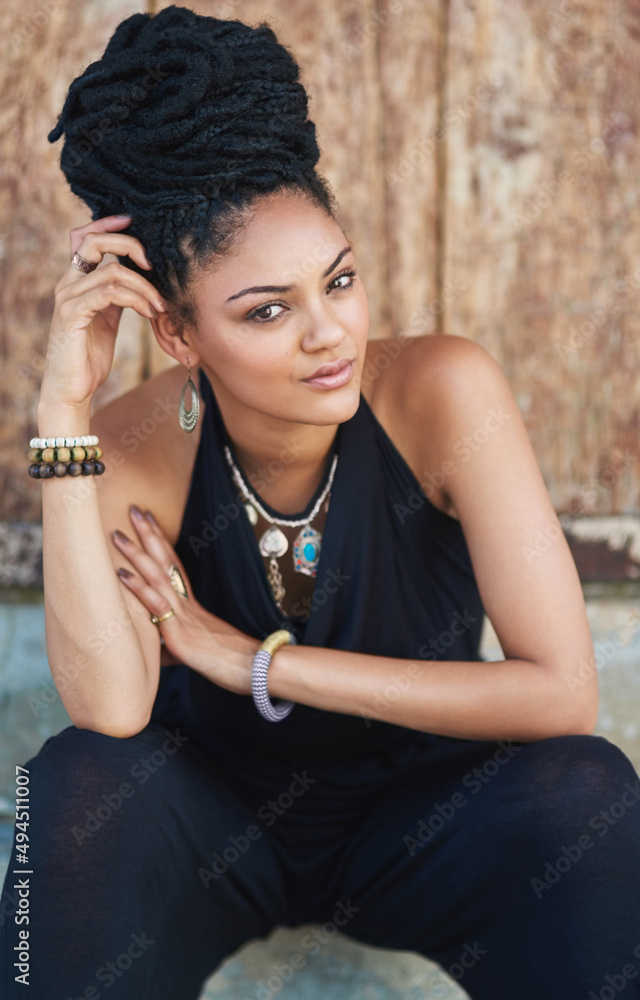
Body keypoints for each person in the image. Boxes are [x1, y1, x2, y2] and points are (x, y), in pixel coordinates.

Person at [2, 6, 639, 998]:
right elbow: (112, 709)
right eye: (266, 310)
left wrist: (256, 661)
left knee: (585, 789)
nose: (328, 333)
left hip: (419, 817)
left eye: (338, 281)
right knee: (68, 787)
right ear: (176, 332)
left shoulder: (443, 394)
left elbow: (560, 694)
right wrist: (62, 409)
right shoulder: (130, 435)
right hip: (214, 827)